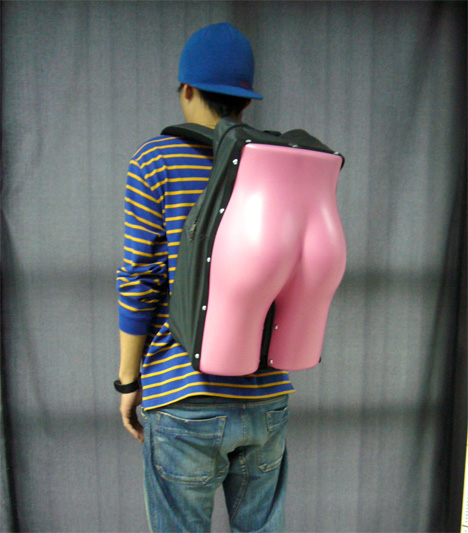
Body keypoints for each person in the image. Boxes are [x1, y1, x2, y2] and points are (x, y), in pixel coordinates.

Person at [115, 22, 294, 532]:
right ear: (246, 102)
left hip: (184, 395)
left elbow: (139, 279)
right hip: (266, 396)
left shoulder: (156, 161)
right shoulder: (277, 163)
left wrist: (128, 382)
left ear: (188, 90)